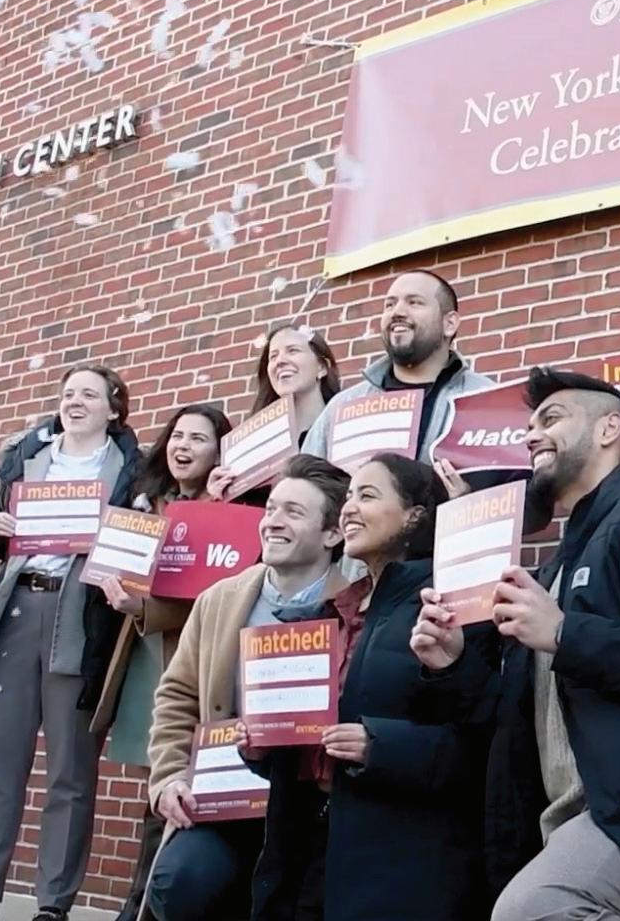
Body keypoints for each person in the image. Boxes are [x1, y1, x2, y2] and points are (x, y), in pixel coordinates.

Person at [410, 367, 620, 921]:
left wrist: (564, 632)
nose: (531, 435)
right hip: (580, 820)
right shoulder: (560, 562)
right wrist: (450, 663)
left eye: (550, 419)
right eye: (529, 425)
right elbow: (516, 718)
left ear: (608, 430)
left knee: (535, 908)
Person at [0, 364, 143, 921]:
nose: (75, 402)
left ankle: (53, 905)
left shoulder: (132, 470)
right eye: (68, 393)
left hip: (81, 619)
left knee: (71, 771)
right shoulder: (25, 454)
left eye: (89, 394)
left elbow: (144, 544)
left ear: (113, 408)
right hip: (16, 611)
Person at [243, 453, 494, 921]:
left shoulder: (449, 601)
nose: (350, 508)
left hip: (396, 865)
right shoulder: (331, 612)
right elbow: (309, 746)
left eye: (368, 495)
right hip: (307, 850)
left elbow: (483, 738)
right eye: (349, 497)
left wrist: (379, 746)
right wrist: (264, 743)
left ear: (414, 515)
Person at [144, 456, 355, 921]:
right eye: (272, 508)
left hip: (311, 813)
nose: (273, 521)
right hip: (222, 802)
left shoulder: (357, 607)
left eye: (293, 512)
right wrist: (170, 777)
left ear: (332, 534)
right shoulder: (219, 600)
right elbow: (176, 696)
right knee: (183, 884)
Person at [92, 403, 234, 921]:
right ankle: (140, 904)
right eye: (177, 435)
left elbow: (213, 595)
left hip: (188, 656)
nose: (183, 446)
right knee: (155, 784)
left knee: (172, 785)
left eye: (198, 438)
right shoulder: (145, 503)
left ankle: (144, 907)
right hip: (141, 655)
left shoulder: (230, 508)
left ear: (219, 451)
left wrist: (143, 607)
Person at [301, 270, 492, 487]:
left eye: (414, 302)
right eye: (389, 305)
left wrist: (466, 500)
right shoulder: (343, 406)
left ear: (449, 324)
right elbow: (306, 489)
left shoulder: (487, 400)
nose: (397, 312)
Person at [208, 324, 343, 501]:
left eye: (293, 350)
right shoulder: (250, 444)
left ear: (322, 367)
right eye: (273, 356)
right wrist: (218, 496)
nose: (280, 361)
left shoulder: (341, 428)